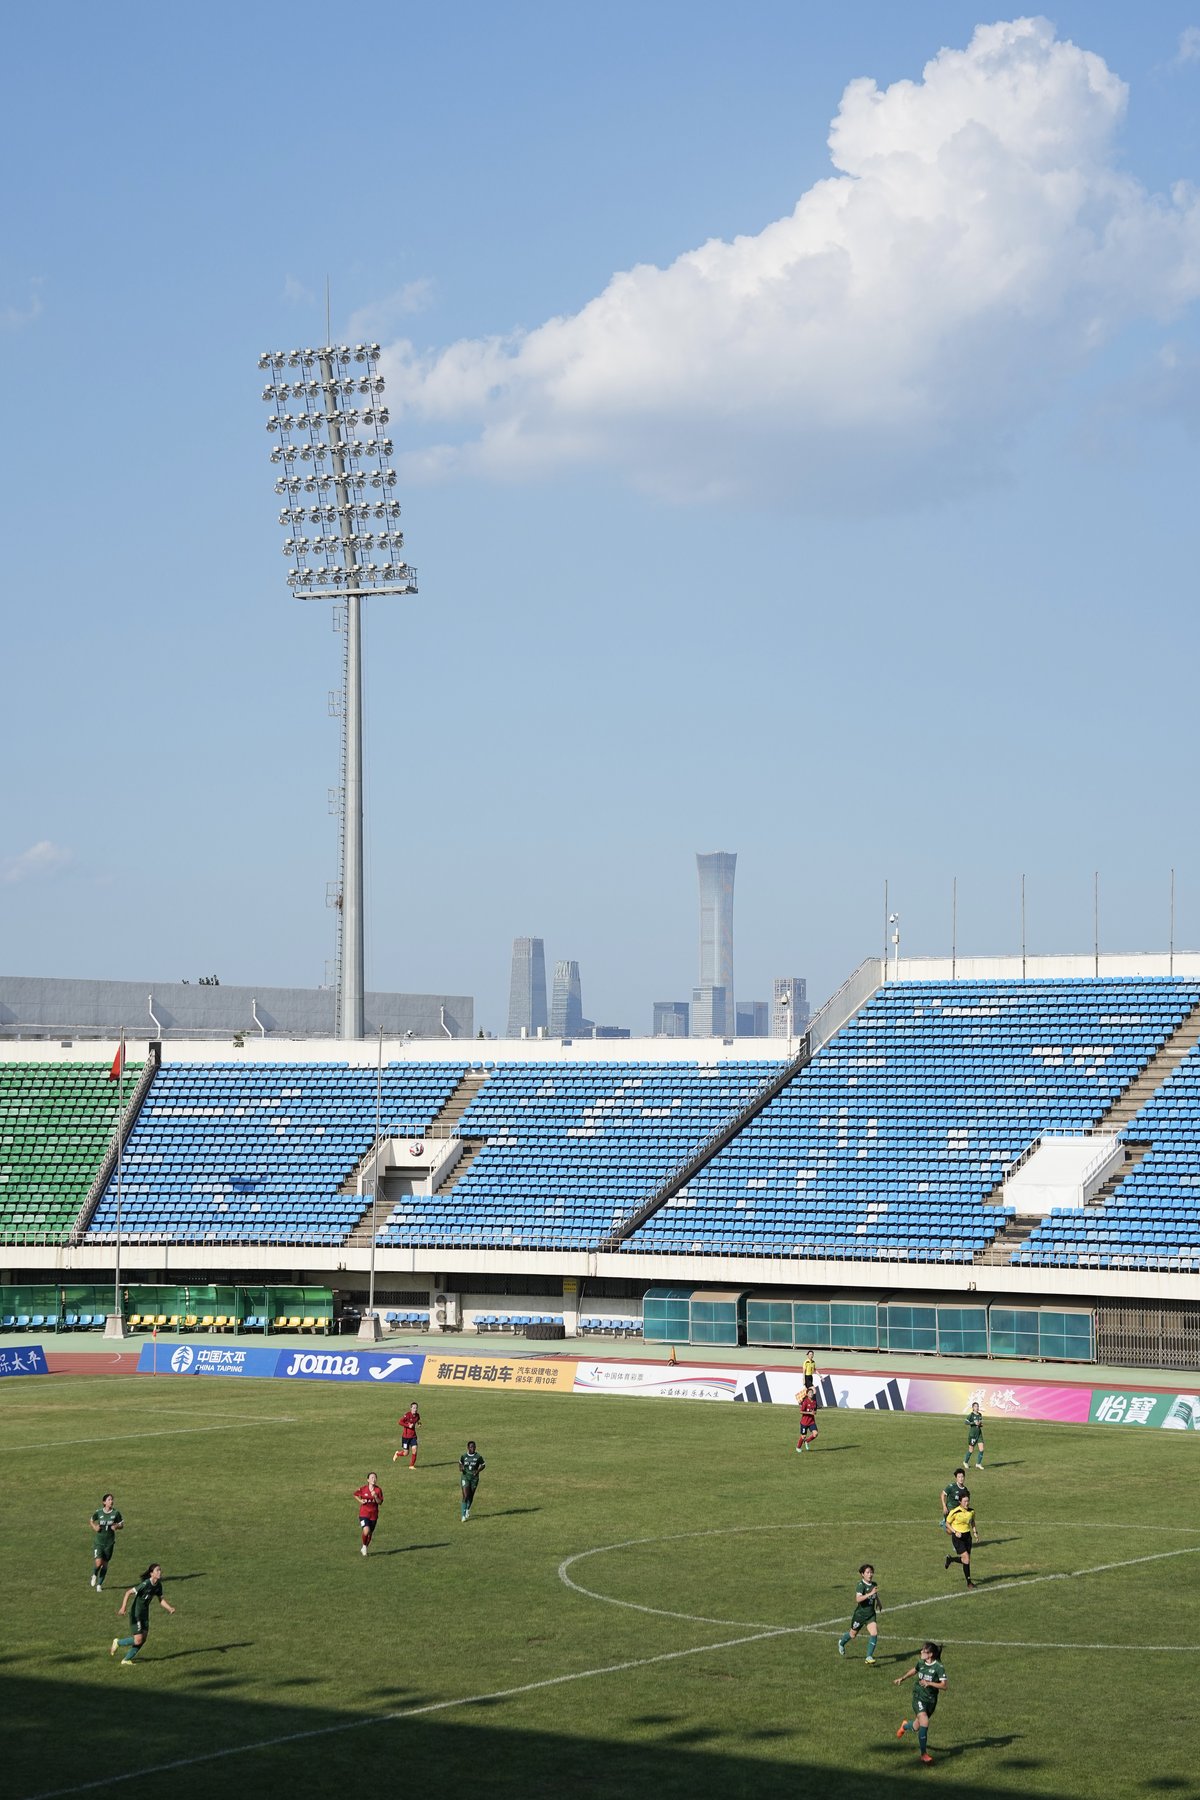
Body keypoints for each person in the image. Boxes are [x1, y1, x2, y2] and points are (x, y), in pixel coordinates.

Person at [110, 1563, 175, 1664]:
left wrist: (169, 1608)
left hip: (145, 1614)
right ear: (151, 1574)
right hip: (136, 1614)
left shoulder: (158, 1585)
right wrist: (123, 1608)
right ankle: (118, 1642)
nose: (159, 1572)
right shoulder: (145, 1584)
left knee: (143, 1639)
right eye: (157, 1570)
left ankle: (126, 1660)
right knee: (138, 1639)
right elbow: (128, 1592)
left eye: (160, 1570)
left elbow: (161, 1600)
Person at [894, 1641, 948, 1764]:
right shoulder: (921, 1662)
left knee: (917, 1726)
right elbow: (915, 1670)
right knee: (925, 1721)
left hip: (931, 1701)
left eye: (924, 1651)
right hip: (918, 1697)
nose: (921, 1652)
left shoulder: (938, 1667)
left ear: (930, 1654)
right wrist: (902, 1678)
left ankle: (905, 1726)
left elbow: (944, 1686)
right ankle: (923, 1754)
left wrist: (929, 1683)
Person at [837, 1563, 881, 1663]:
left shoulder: (874, 1584)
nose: (870, 1574)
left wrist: (878, 1602)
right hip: (860, 1616)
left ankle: (868, 1657)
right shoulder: (860, 1585)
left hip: (870, 1615)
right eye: (867, 1572)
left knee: (874, 1633)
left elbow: (875, 1594)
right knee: (852, 1635)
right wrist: (870, 1594)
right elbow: (858, 1599)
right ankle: (841, 1642)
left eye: (871, 1572)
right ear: (862, 1574)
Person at [89, 1493, 123, 1593]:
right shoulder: (99, 1512)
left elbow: (121, 1524)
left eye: (112, 1499)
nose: (111, 1501)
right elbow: (91, 1520)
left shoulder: (116, 1513)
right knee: (98, 1563)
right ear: (104, 1502)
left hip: (109, 1543)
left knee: (105, 1564)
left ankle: (99, 1585)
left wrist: (116, 1526)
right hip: (99, 1542)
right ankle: (94, 1574)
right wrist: (95, 1527)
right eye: (109, 1499)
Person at [944, 1488, 977, 1587]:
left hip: (967, 1537)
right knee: (966, 1558)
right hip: (958, 1537)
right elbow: (947, 1523)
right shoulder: (955, 1511)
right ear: (960, 1502)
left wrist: (975, 1532)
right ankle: (969, 1583)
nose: (967, 1503)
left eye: (968, 1501)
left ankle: (950, 1559)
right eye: (965, 1501)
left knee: (965, 1560)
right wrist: (955, 1531)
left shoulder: (971, 1511)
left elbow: (972, 1521)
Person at [354, 1472, 383, 1554]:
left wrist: (376, 1496)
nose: (374, 1479)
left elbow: (380, 1502)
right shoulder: (363, 1489)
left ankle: (365, 1547)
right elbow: (355, 1494)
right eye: (372, 1478)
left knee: (370, 1534)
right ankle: (364, 1546)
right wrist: (360, 1501)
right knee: (366, 1530)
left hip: (373, 1515)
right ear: (368, 1480)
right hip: (364, 1514)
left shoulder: (378, 1490)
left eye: (375, 1478)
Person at [459, 1440, 485, 1522]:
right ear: (468, 1448)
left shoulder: (478, 1457)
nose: (473, 1448)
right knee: (465, 1495)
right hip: (465, 1477)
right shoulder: (464, 1456)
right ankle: (463, 1516)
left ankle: (467, 1509)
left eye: (474, 1447)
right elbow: (460, 1463)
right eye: (471, 1447)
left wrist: (477, 1471)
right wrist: (461, 1468)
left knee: (471, 1495)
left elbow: (483, 1465)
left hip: (474, 1478)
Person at [939, 1467, 968, 1533]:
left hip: (958, 1513)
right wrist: (944, 1506)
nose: (961, 1479)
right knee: (950, 1531)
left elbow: (965, 1501)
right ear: (956, 1478)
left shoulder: (965, 1489)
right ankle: (944, 1523)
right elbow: (942, 1495)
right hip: (949, 1511)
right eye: (959, 1477)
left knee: (957, 1529)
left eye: (962, 1477)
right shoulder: (951, 1487)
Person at [393, 1403, 421, 1468]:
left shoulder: (417, 1415)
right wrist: (408, 1425)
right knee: (406, 1453)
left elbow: (418, 1420)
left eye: (416, 1408)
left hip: (413, 1436)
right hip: (405, 1437)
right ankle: (397, 1453)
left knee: (415, 1449)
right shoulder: (407, 1415)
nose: (415, 1409)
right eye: (414, 1408)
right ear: (411, 1408)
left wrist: (419, 1424)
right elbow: (400, 1422)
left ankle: (411, 1466)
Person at [965, 1401, 985, 1469]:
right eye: (975, 1406)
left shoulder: (980, 1415)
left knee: (981, 1449)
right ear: (973, 1408)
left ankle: (978, 1464)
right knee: (971, 1450)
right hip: (972, 1435)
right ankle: (965, 1462)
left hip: (979, 1434)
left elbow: (980, 1424)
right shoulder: (971, 1415)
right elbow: (966, 1422)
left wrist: (980, 1424)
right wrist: (973, 1423)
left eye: (978, 1406)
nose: (977, 1408)